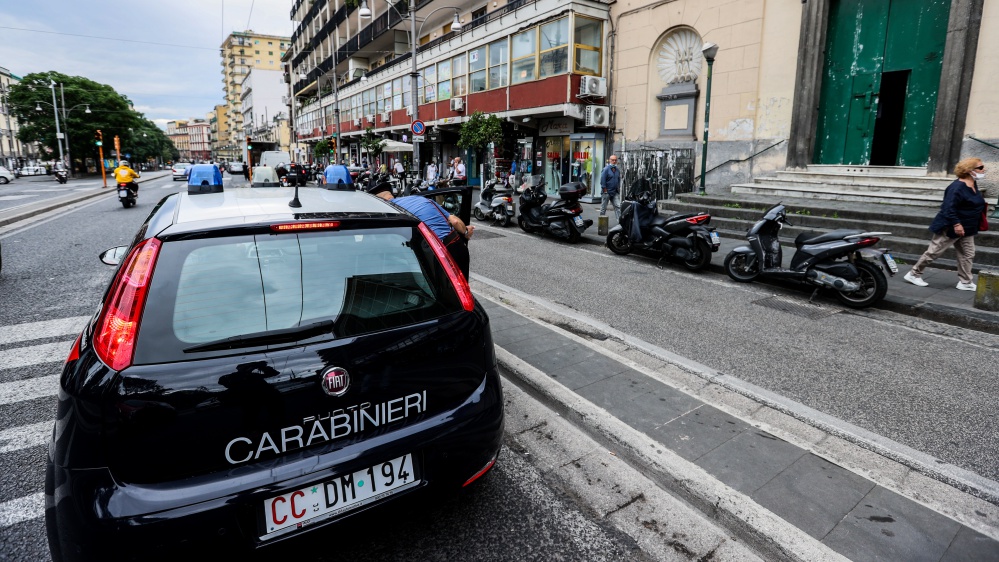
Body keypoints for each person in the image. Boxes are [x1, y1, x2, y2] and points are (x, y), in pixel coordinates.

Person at [904, 158, 988, 291]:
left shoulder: (973, 184)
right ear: (969, 171)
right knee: (934, 252)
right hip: (951, 227)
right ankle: (913, 274)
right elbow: (948, 208)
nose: (984, 170)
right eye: (980, 167)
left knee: (968, 254)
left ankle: (965, 282)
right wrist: (956, 224)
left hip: (968, 227)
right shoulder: (956, 187)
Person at [367, 182, 474, 278]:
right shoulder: (421, 199)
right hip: (457, 247)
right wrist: (465, 232)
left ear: (378, 201)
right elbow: (454, 221)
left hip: (437, 255)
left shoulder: (390, 211)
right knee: (463, 291)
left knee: (445, 294)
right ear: (391, 194)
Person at [599, 154, 621, 220]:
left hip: (614, 192)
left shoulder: (617, 170)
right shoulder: (606, 169)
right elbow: (602, 181)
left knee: (618, 206)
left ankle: (620, 223)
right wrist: (605, 190)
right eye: (612, 160)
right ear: (609, 160)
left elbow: (618, 179)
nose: (614, 161)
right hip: (607, 192)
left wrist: (617, 188)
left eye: (615, 160)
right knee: (603, 208)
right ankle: (602, 223)